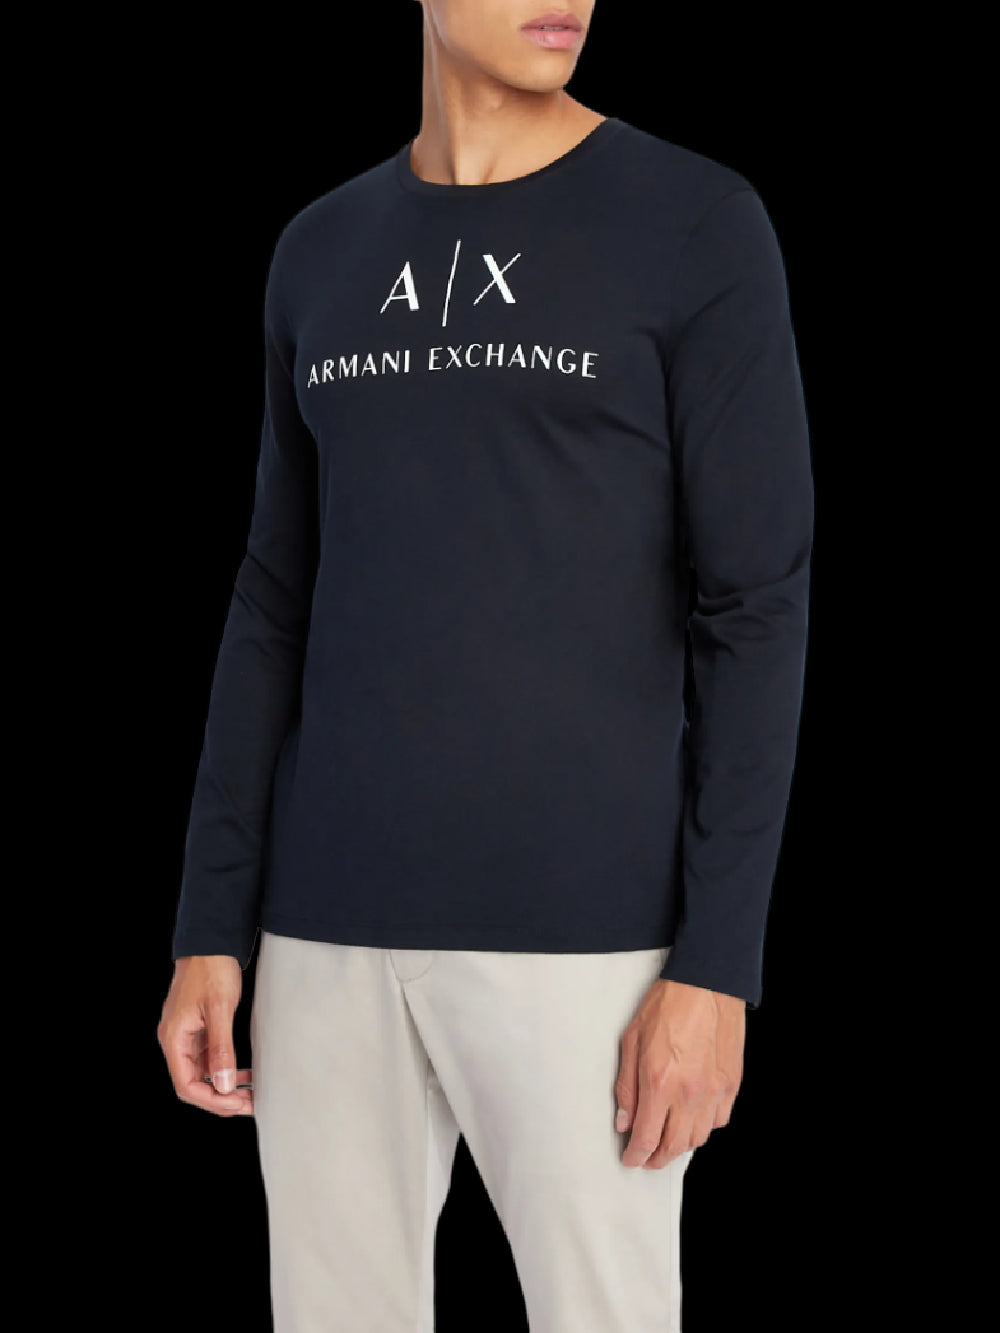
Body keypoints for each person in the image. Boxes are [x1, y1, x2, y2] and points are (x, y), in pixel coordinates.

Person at [157, 2, 814, 1328]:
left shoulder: (695, 222)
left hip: (591, 947)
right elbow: (274, 597)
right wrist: (210, 926)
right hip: (324, 936)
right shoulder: (320, 248)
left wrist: (718, 966)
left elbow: (756, 605)